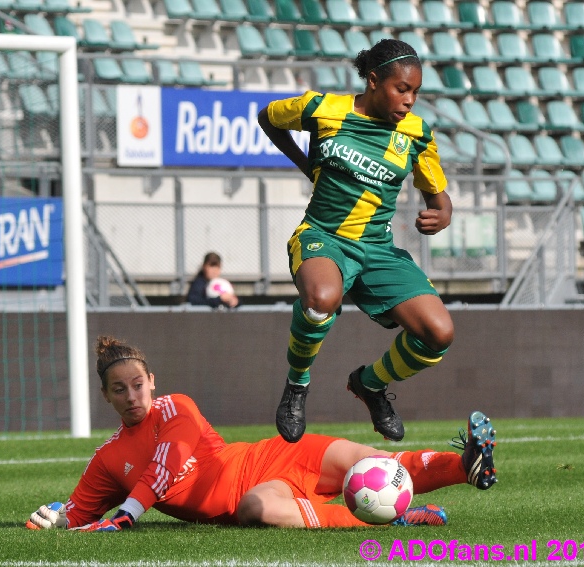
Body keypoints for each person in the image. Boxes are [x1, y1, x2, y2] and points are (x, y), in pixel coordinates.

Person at [26, 336, 497, 532]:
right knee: (258, 509)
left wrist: (128, 513)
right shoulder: (109, 457)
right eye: (118, 390)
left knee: (376, 466)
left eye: (137, 384)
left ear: (151, 382)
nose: (131, 396)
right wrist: (54, 519)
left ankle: (468, 467)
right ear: (106, 397)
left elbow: (165, 469)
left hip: (273, 455)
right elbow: (78, 511)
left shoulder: (176, 408)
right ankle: (399, 519)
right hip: (250, 492)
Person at [257, 39, 455, 444]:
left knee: (439, 334)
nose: (410, 100)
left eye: (416, 92)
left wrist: (443, 214)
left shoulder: (416, 134)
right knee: (321, 300)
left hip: (379, 250)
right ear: (373, 81)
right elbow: (268, 117)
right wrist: (304, 162)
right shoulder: (322, 109)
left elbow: (438, 197)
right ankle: (297, 386)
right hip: (324, 237)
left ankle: (370, 384)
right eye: (402, 89)